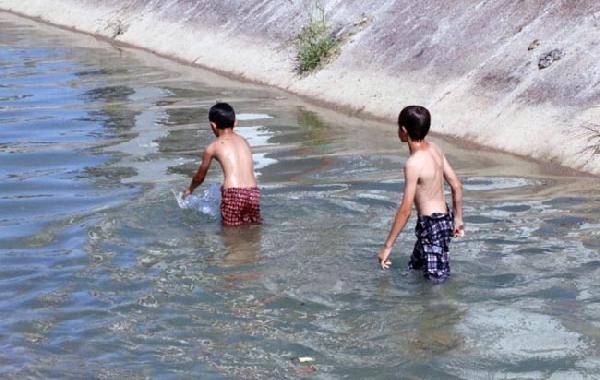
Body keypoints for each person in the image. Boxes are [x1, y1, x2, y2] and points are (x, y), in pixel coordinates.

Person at [377, 106, 463, 284]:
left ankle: (442, 311)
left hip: (431, 226)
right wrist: (458, 219)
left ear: (403, 130)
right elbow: (456, 185)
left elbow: (405, 210)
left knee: (436, 283)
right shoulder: (435, 149)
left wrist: (387, 246)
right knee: (415, 269)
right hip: (444, 220)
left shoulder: (413, 164)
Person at [182, 102, 262, 226]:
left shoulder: (213, 147)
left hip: (233, 193)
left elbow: (199, 178)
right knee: (253, 228)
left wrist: (189, 189)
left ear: (213, 125)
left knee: (230, 234)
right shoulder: (244, 142)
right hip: (253, 192)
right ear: (235, 122)